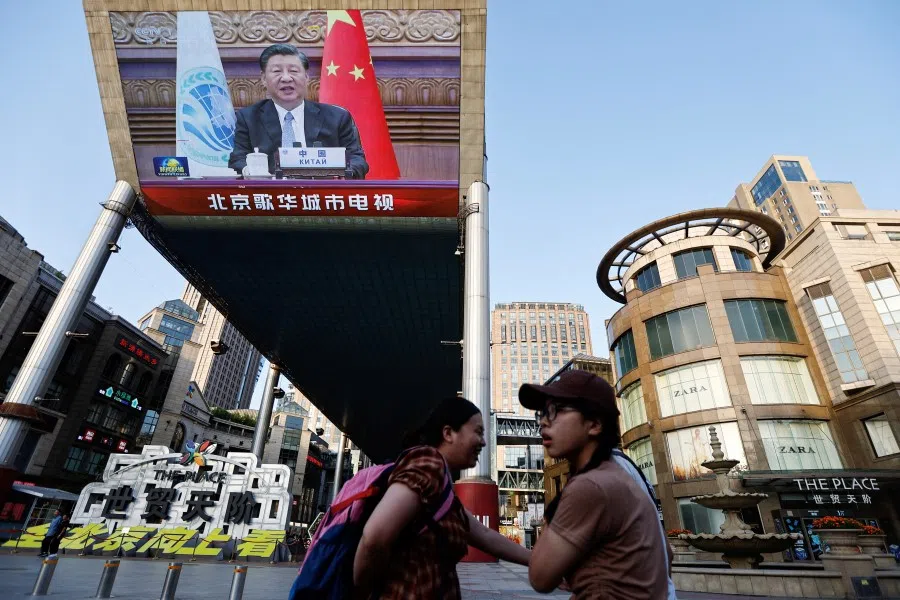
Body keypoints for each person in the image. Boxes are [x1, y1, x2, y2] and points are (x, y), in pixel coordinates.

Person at [352, 397, 531, 599]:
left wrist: (537, 561)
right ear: (448, 433)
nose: (483, 441)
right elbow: (374, 537)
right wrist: (361, 591)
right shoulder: (428, 463)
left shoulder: (441, 487)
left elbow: (484, 535)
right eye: (478, 432)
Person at [520, 370, 670, 599]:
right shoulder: (617, 475)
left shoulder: (590, 486)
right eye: (543, 412)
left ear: (594, 425)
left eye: (556, 411)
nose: (543, 421)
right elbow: (667, 553)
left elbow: (540, 577)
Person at [228, 44, 369, 179]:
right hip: (272, 197)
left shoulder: (337, 117)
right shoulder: (248, 118)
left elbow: (358, 160)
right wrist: (253, 172)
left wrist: (342, 174)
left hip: (323, 196)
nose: (286, 78)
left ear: (306, 77)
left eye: (293, 71)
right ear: (264, 79)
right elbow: (237, 160)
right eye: (277, 71)